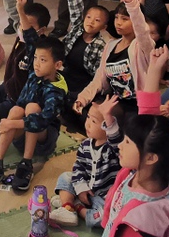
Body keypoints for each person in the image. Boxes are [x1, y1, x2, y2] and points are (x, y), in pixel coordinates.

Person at [44, 99, 169, 237]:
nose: (120, 145)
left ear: (151, 158)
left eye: (127, 142)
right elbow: (148, 124)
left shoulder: (142, 220)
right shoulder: (135, 172)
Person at [0, 36, 68, 195]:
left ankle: (26, 163)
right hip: (22, 138)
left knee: (33, 108)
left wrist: (11, 124)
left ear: (57, 65)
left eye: (42, 60)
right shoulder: (35, 74)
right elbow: (29, 38)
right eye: (35, 58)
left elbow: (43, 121)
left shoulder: (57, 91)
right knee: (16, 110)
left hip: (44, 141)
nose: (36, 63)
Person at [74, 0, 157, 113]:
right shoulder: (111, 45)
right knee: (73, 107)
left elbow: (142, 30)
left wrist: (132, 3)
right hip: (112, 101)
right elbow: (99, 79)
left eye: (125, 19)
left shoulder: (142, 46)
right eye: (117, 17)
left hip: (135, 105)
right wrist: (83, 99)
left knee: (99, 116)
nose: (118, 22)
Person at [49, 97, 122, 228]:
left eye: (94, 121)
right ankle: (67, 208)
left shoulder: (114, 148)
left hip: (103, 198)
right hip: (85, 188)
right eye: (88, 117)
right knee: (66, 177)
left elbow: (115, 138)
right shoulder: (85, 145)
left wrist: (108, 118)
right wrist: (81, 188)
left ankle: (75, 207)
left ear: (107, 126)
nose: (87, 124)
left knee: (103, 219)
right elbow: (78, 168)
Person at [58, 0, 109, 121]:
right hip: (65, 75)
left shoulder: (100, 45)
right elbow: (74, 6)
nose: (91, 22)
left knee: (75, 105)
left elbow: (99, 77)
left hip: (83, 84)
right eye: (88, 17)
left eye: (97, 20)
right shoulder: (76, 29)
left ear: (104, 27)